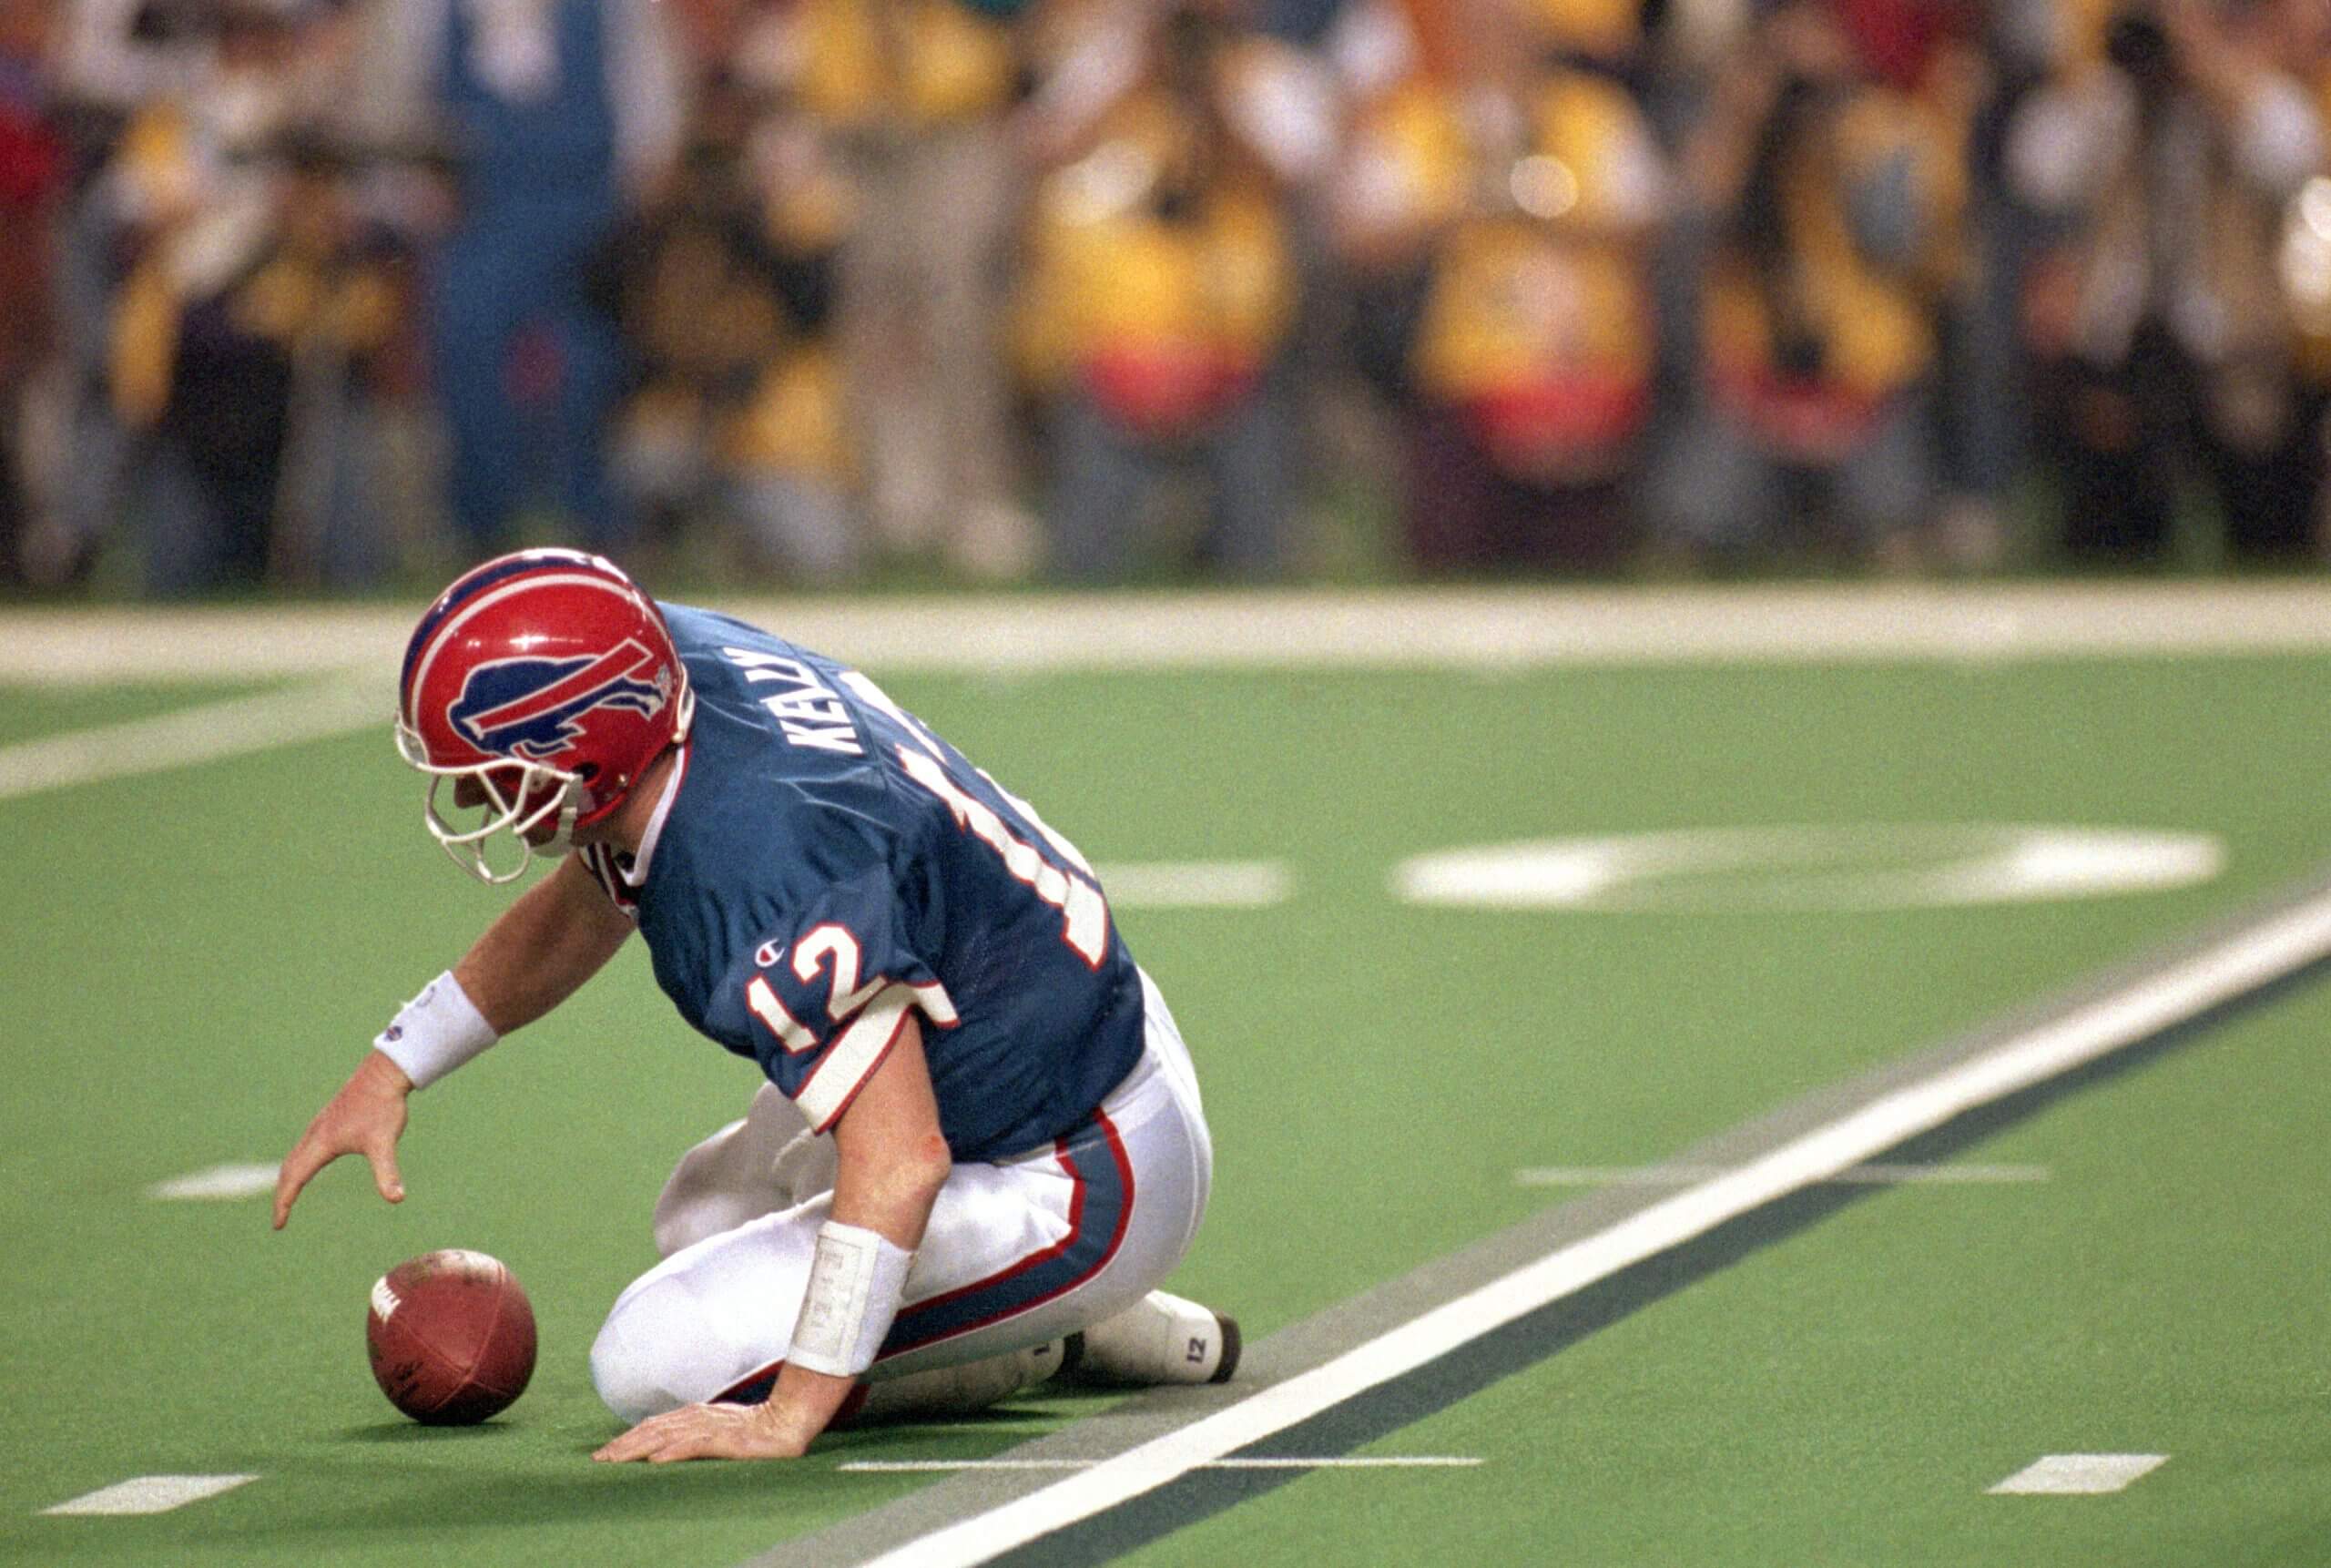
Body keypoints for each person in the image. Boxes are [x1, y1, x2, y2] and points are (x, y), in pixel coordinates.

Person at [273, 547, 1235, 1462]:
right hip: (1033, 1032)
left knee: (654, 1362)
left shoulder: (758, 861)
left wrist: (791, 1412)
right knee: (703, 1218)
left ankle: (1040, 1341)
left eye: (490, 768)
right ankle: (1063, 1317)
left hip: (1078, 1167)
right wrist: (396, 1063)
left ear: (587, 745)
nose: (479, 800)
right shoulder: (673, 669)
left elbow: (901, 1164)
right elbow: (593, 900)